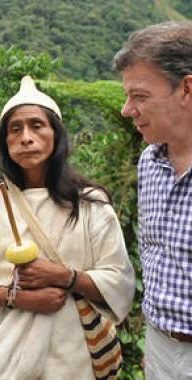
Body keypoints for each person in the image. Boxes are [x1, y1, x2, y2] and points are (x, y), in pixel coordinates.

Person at [0, 76, 135, 379]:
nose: (26, 137)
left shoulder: (89, 203)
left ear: (56, 135)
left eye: (37, 125)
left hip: (73, 358)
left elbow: (119, 280)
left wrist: (65, 277)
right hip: (3, 355)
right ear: (5, 141)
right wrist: (18, 297)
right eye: (15, 129)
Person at [113, 21, 192, 379]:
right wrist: (158, 345)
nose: (127, 110)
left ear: (186, 90)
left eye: (140, 96)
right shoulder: (150, 161)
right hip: (161, 346)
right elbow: (154, 253)